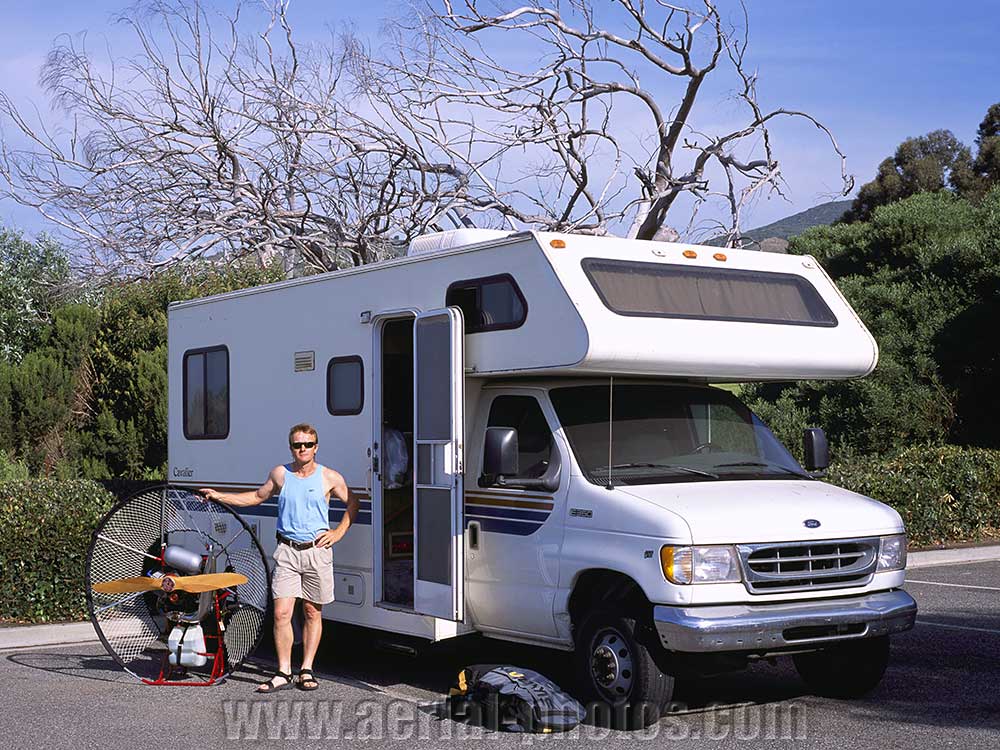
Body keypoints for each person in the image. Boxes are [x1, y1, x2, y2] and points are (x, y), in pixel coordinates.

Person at [200, 423, 359, 693]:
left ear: (316, 447)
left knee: (312, 612)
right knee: (281, 613)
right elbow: (256, 497)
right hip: (286, 552)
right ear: (291, 447)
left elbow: (353, 502)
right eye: (297, 445)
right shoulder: (280, 474)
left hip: (317, 552)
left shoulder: (329, 477)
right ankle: (283, 672)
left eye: (308, 444)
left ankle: (306, 669)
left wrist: (338, 532)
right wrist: (219, 496)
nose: (303, 449)